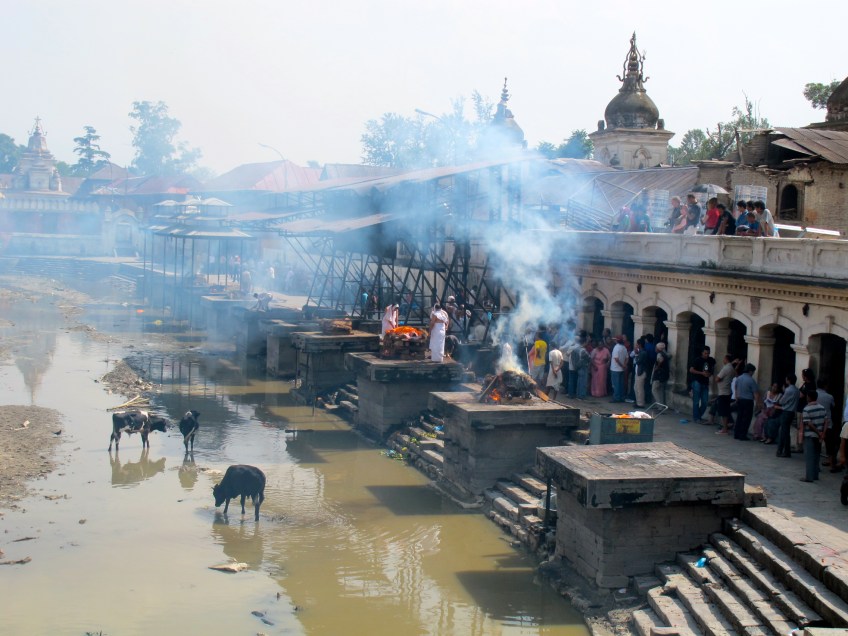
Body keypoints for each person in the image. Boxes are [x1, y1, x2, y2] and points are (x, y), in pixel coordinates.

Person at [800, 389, 829, 482]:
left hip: (810, 435)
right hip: (819, 436)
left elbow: (809, 423)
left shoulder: (806, 409)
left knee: (809, 456)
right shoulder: (822, 408)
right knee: (817, 456)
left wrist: (817, 432)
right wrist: (822, 433)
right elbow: (826, 421)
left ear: (808, 397)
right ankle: (815, 475)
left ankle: (809, 477)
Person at [772, 373, 799, 458]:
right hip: (792, 412)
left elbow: (782, 401)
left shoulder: (789, 390)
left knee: (784, 432)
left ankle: (781, 450)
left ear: (788, 380)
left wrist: (784, 392)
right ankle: (785, 451)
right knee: (785, 432)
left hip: (786, 411)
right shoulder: (797, 390)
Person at [733, 363, 761, 441]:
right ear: (750, 371)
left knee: (739, 417)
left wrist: (736, 398)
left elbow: (735, 388)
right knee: (746, 419)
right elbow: (756, 393)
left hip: (740, 399)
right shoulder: (751, 380)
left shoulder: (739, 378)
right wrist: (758, 404)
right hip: (748, 401)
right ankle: (742, 435)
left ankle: (736, 433)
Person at [689, 346, 716, 423]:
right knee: (696, 401)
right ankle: (696, 418)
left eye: (708, 353)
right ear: (702, 353)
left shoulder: (711, 360)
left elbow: (712, 370)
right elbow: (691, 370)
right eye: (705, 353)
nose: (706, 355)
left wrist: (709, 374)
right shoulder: (698, 360)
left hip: (705, 382)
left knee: (705, 402)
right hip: (697, 381)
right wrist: (701, 373)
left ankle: (698, 416)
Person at [715, 354, 736, 435]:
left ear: (726, 359)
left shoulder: (726, 368)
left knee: (723, 412)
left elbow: (717, 379)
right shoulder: (732, 368)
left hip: (723, 392)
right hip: (728, 391)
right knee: (725, 410)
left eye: (724, 359)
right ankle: (725, 427)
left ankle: (724, 429)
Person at [610, 336, 628, 402]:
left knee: (615, 384)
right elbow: (627, 358)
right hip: (621, 369)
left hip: (615, 368)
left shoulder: (616, 348)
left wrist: (622, 365)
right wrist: (624, 365)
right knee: (621, 384)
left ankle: (616, 398)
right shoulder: (624, 348)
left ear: (617, 340)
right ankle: (621, 397)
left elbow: (616, 359)